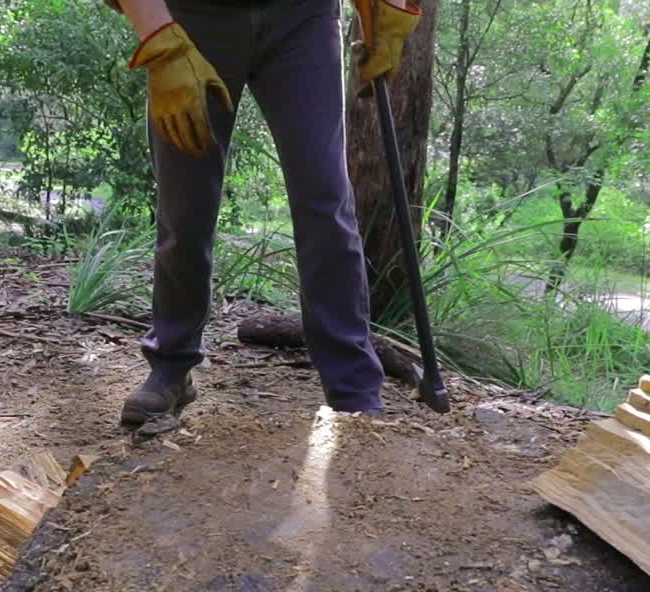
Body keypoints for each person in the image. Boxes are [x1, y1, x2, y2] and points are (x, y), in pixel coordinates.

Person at [111, 0, 422, 426]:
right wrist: (159, 42)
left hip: (303, 20)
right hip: (190, 24)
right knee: (185, 206)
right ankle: (171, 365)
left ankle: (353, 386)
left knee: (325, 200)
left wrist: (387, 10)